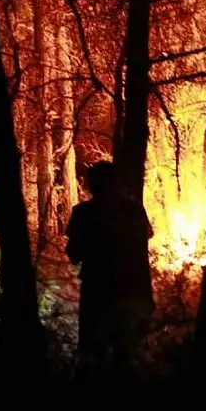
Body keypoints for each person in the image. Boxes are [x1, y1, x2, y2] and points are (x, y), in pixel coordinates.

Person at [65, 161, 154, 385]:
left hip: (97, 296)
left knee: (92, 358)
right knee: (125, 358)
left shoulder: (83, 213)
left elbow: (74, 254)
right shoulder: (134, 211)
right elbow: (145, 243)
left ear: (91, 186)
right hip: (132, 293)